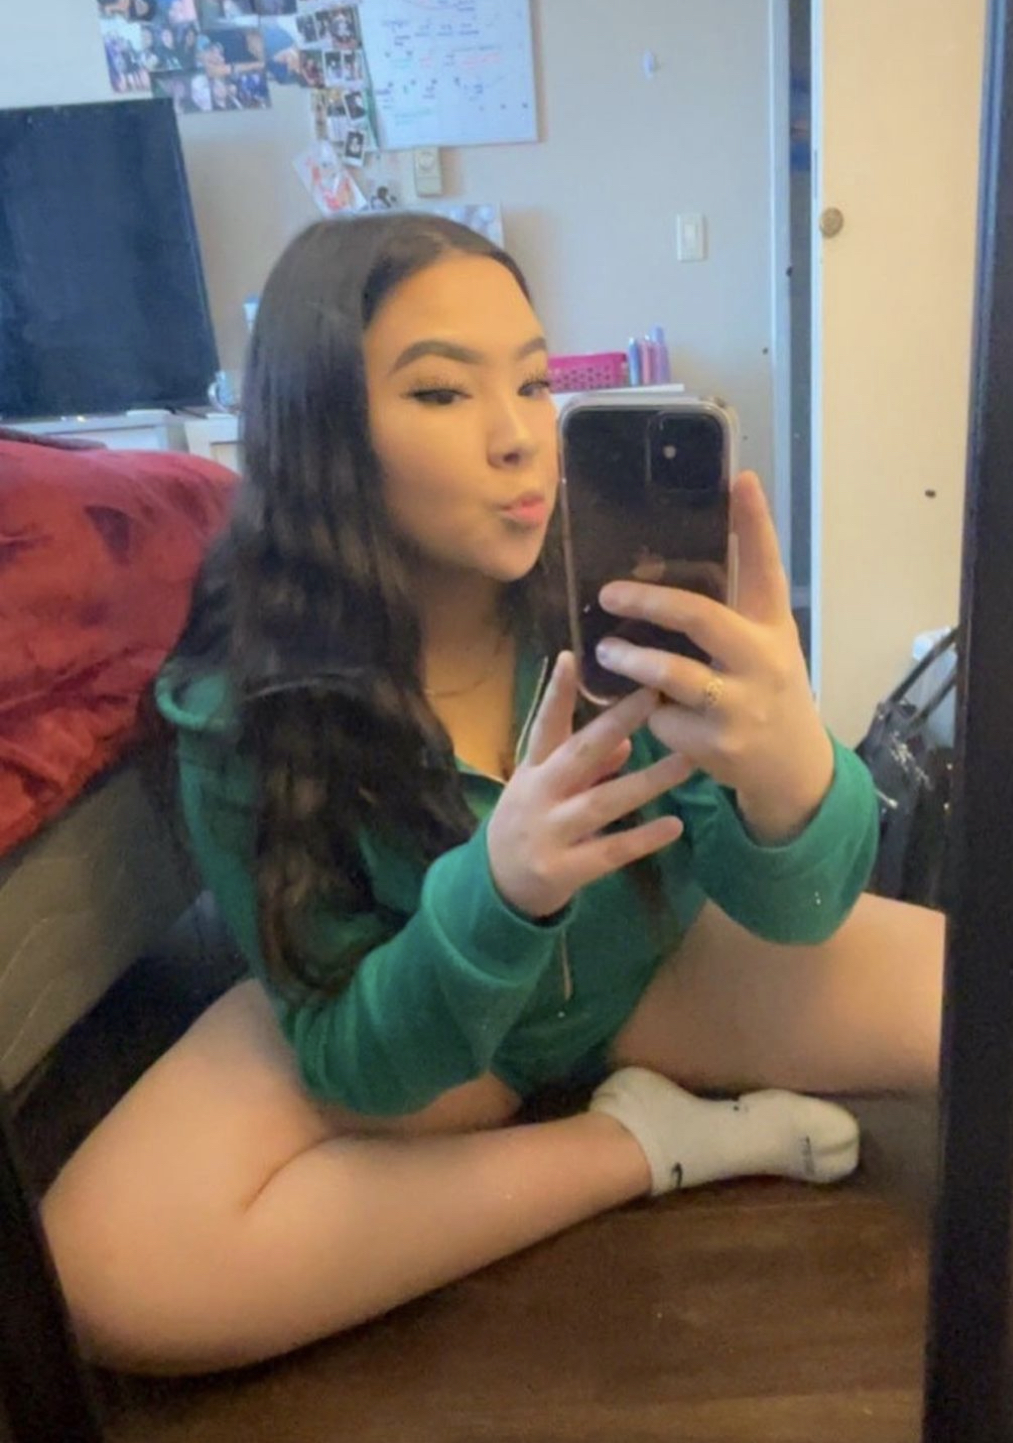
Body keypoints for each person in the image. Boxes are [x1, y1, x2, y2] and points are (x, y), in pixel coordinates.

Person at [40, 214, 944, 1378]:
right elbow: (351, 1058)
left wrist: (791, 776)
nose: (520, 439)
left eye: (530, 381)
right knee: (107, 1273)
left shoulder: (617, 603)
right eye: (440, 392)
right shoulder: (240, 710)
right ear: (322, 431)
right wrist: (500, 895)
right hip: (424, 1040)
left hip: (655, 965)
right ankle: (641, 1145)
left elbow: (795, 911)